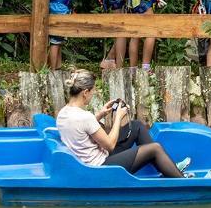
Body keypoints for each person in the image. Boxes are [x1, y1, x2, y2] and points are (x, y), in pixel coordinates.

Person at [56, 70, 189, 176]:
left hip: (94, 160)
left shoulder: (63, 113)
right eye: (93, 91)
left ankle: (168, 168)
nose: (94, 93)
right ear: (85, 92)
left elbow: (79, 127)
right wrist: (118, 117)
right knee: (155, 148)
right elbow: (110, 145)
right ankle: (182, 181)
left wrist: (100, 114)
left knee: (136, 126)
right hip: (101, 168)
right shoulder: (85, 116)